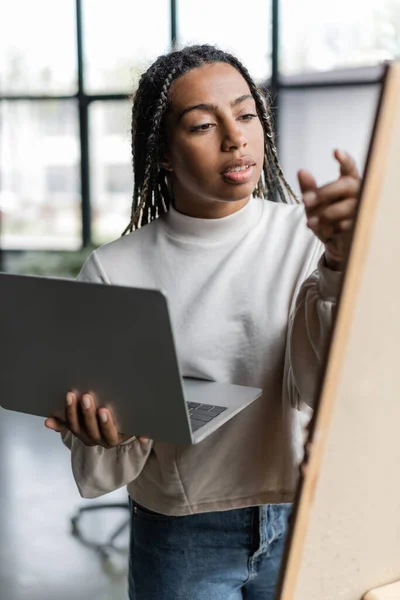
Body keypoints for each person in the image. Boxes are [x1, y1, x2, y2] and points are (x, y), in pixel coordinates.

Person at [45, 44, 360, 600]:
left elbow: (326, 385)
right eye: (202, 125)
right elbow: (101, 453)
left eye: (245, 115)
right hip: (181, 535)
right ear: (163, 152)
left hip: (307, 515)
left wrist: (340, 265)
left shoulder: (311, 236)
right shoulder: (117, 269)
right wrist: (105, 432)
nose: (235, 138)